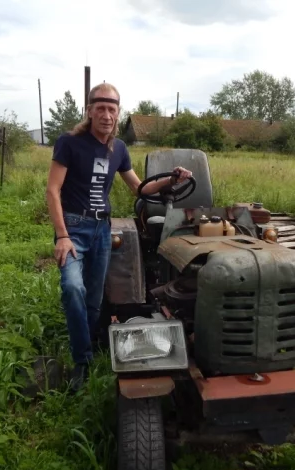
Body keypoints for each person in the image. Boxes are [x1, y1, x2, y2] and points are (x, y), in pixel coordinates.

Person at [46, 82, 192, 392]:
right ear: (89, 111)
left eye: (112, 109)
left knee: (95, 298)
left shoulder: (119, 149)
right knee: (73, 288)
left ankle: (93, 343)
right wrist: (62, 236)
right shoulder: (69, 143)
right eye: (100, 108)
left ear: (118, 113)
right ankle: (82, 361)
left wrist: (171, 179)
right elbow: (53, 189)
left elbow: (139, 188)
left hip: (102, 229)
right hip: (74, 227)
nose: (107, 114)